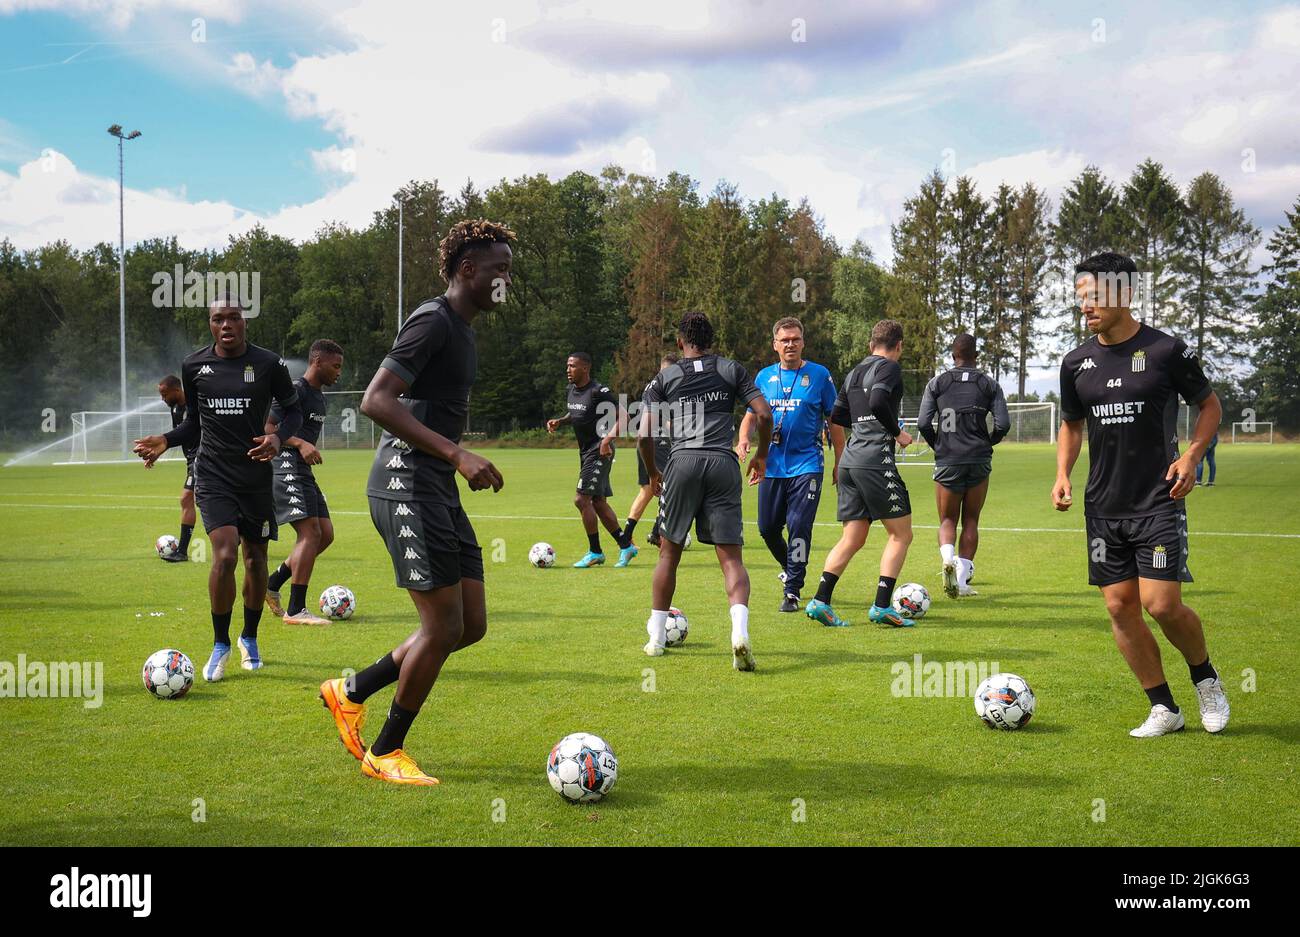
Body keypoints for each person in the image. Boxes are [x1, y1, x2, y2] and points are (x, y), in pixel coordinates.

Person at [318, 218, 512, 785]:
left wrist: (452, 459)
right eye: (498, 270)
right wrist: (457, 454)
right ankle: (386, 750)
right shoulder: (433, 320)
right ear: (467, 269)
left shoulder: (466, 329)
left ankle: (349, 690)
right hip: (406, 484)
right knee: (440, 627)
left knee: (468, 625)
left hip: (435, 488)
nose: (505, 281)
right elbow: (377, 401)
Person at [1054, 251, 1229, 737]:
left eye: (1095, 297)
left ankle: (1206, 678)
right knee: (1119, 607)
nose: (1085, 306)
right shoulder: (1076, 362)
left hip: (1158, 498)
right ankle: (1163, 708)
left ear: (1126, 294)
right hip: (1102, 505)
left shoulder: (1167, 350)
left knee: (1161, 604)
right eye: (1080, 298)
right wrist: (1063, 473)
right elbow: (1071, 424)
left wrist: (1192, 456)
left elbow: (1210, 406)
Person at [133, 297, 302, 680]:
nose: (226, 324)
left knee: (256, 560)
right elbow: (193, 423)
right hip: (213, 475)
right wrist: (165, 439)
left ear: (244, 323)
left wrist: (278, 441)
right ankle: (221, 643)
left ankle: (250, 636)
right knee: (225, 556)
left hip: (256, 476)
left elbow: (294, 412)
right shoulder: (194, 366)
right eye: (217, 319)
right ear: (210, 325)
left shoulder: (268, 364)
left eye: (233, 318)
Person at [639, 311, 772, 670]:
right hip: (722, 462)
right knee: (731, 559)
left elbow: (644, 434)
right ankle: (739, 634)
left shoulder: (665, 377)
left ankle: (655, 641)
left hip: (682, 463)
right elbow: (763, 413)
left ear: (680, 342)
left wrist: (653, 472)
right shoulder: (731, 369)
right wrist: (761, 455)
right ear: (711, 341)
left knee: (669, 554)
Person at [805, 319, 914, 629]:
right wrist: (897, 432)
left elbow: (837, 415)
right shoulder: (889, 368)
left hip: (851, 460)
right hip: (875, 460)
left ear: (870, 346)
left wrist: (864, 423)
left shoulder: (854, 372)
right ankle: (882, 606)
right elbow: (879, 400)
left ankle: (820, 601)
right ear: (899, 346)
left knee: (853, 536)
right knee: (901, 534)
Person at [736, 317, 841, 612]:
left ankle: (792, 589)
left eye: (795, 339)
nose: (790, 344)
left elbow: (834, 420)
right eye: (785, 340)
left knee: (798, 524)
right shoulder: (764, 377)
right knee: (768, 528)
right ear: (775, 345)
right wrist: (744, 438)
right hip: (771, 464)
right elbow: (751, 415)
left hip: (807, 464)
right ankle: (791, 566)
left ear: (803, 342)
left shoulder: (820, 376)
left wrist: (839, 461)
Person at [916, 333, 1010, 597]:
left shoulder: (937, 383)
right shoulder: (989, 384)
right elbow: (1003, 425)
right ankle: (962, 580)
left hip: (948, 459)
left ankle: (947, 558)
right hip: (979, 459)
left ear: (953, 355)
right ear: (976, 356)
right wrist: (987, 443)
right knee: (971, 520)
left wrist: (939, 445)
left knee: (947, 519)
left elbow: (923, 423)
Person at [264, 339, 344, 626]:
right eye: (335, 366)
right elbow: (268, 428)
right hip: (284, 463)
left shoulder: (319, 396)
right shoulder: (295, 390)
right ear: (317, 362)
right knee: (310, 533)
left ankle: (273, 582)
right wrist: (300, 443)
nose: (338, 372)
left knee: (325, 533)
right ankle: (296, 610)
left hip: (301, 468)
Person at [545, 353, 635, 568]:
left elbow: (625, 417)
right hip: (585, 452)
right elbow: (577, 414)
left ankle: (595, 552)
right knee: (598, 502)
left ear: (585, 368)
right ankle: (626, 546)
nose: (568, 369)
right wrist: (561, 421)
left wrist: (607, 440)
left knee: (581, 499)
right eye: (567, 365)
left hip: (599, 451)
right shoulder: (572, 390)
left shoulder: (599, 391)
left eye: (572, 366)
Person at [626, 353, 679, 548]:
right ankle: (659, 532)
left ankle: (626, 536)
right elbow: (668, 419)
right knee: (672, 487)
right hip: (659, 443)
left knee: (647, 490)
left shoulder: (651, 385)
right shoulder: (669, 384)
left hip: (645, 444)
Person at [156, 374, 199, 562]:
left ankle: (181, 551)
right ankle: (237, 533)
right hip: (191, 459)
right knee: (197, 501)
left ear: (177, 390)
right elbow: (177, 435)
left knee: (186, 498)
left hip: (204, 457)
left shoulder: (194, 406)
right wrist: (156, 453)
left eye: (165, 394)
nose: (162, 399)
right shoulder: (174, 408)